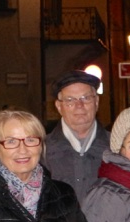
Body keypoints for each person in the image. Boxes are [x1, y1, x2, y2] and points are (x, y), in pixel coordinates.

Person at [44, 70, 108, 202]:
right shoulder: (41, 151)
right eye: (70, 100)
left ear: (96, 102)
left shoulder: (117, 148)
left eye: (86, 98)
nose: (79, 106)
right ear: (59, 106)